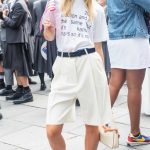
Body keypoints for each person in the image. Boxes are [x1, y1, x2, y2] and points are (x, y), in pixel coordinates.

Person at [43, 0, 112, 149]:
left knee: (93, 124)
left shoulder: (97, 9)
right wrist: (48, 30)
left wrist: (103, 78)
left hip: (89, 63)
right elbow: (49, 37)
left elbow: (98, 46)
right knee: (52, 131)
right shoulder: (56, 4)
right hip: (63, 65)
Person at [107, 0, 150, 146]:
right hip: (133, 37)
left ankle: (96, 125)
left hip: (114, 36)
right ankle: (135, 134)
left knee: (114, 83)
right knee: (135, 87)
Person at [2, 0, 33, 104]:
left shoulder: (19, 4)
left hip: (17, 40)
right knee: (15, 66)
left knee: (19, 66)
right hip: (14, 39)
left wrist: (4, 17)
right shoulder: (17, 3)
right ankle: (20, 89)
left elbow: (14, 24)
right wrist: (5, 17)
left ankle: (27, 92)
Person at [32, 0, 57, 91]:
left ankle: (42, 83)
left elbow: (33, 22)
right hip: (52, 35)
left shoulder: (36, 4)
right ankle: (53, 82)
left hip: (39, 35)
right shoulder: (54, 3)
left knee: (39, 60)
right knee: (53, 59)